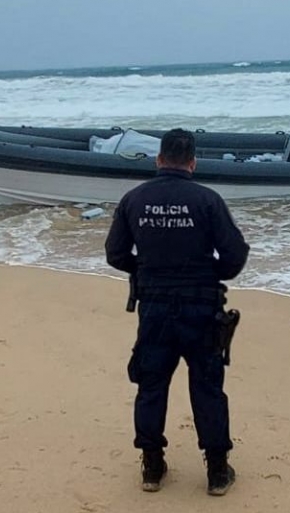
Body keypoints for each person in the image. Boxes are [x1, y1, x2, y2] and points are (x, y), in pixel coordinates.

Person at [104, 128, 250, 496]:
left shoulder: (134, 200)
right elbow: (235, 255)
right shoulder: (207, 200)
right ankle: (217, 471)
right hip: (201, 308)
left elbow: (115, 253)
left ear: (158, 160)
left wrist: (146, 270)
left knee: (151, 386)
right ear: (192, 162)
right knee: (207, 387)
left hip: (153, 308)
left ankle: (152, 467)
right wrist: (206, 273)